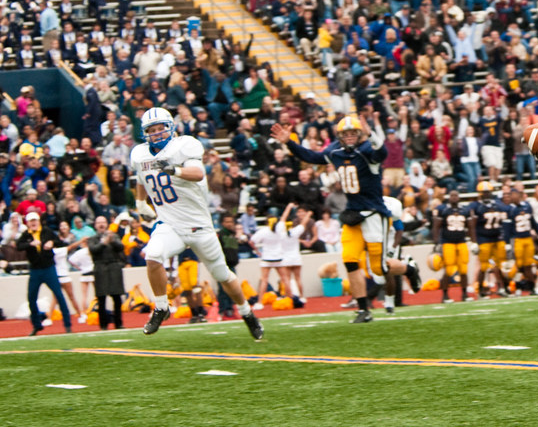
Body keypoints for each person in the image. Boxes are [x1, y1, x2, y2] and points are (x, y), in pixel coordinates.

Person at [131, 107, 263, 339]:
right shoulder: (140, 154)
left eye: (160, 128)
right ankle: (161, 307)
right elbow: (142, 177)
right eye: (151, 130)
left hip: (199, 226)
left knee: (223, 275)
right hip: (169, 224)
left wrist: (174, 170)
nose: (156, 133)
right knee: (152, 256)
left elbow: (198, 173)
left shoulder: (184, 146)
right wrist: (140, 201)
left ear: (170, 127)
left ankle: (247, 312)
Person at [271, 113, 390, 323]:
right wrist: (289, 143)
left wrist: (372, 135)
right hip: (353, 213)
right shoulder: (334, 151)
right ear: (340, 136)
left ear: (360, 134)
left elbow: (382, 153)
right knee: (350, 260)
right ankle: (364, 309)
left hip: (373, 213)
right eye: (346, 134)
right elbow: (310, 157)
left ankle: (408, 268)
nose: (351, 137)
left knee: (379, 270)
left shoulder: (367, 152)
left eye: (354, 133)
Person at [17, 211, 74, 335]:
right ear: (27, 223)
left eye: (35, 220)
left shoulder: (47, 232)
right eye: (31, 221)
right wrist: (30, 244)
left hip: (49, 268)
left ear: (38, 221)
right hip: (35, 270)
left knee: (59, 295)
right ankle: (37, 325)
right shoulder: (26, 235)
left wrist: (52, 243)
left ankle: (68, 325)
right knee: (31, 298)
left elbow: (61, 242)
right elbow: (19, 246)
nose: (33, 223)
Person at [432, 188, 475, 303]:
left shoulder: (465, 210)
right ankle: (445, 295)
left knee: (464, 269)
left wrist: (474, 242)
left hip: (461, 241)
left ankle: (464, 294)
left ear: (459, 197)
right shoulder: (443, 209)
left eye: (456, 195)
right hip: (448, 242)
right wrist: (436, 242)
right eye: (452, 195)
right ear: (448, 197)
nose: (454, 197)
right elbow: (436, 226)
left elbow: (471, 226)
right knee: (449, 269)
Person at [87, 215, 127, 329]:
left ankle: (118, 323)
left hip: (114, 267)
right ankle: (103, 324)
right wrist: (104, 243)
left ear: (107, 224)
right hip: (100, 267)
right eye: (99, 223)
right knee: (101, 298)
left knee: (117, 298)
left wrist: (112, 241)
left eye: (103, 222)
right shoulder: (93, 238)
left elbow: (121, 247)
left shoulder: (114, 236)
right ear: (95, 226)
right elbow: (93, 250)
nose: (101, 225)